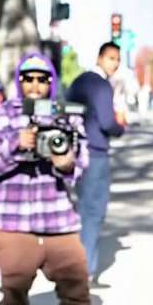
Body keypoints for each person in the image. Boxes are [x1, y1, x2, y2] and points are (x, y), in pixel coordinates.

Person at [0, 52, 108, 305]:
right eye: (28, 78)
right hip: (12, 220)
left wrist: (66, 162)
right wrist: (16, 143)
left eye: (42, 78)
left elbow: (80, 162)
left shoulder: (67, 116)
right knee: (14, 295)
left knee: (78, 289)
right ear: (19, 81)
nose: (35, 85)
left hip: (58, 219)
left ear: (51, 81)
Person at [66, 42, 126, 285]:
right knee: (94, 212)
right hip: (96, 153)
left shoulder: (78, 82)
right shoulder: (101, 85)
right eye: (111, 58)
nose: (115, 63)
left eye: (118, 59)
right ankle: (84, 270)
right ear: (100, 57)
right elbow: (107, 122)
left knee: (83, 209)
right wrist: (120, 127)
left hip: (75, 152)